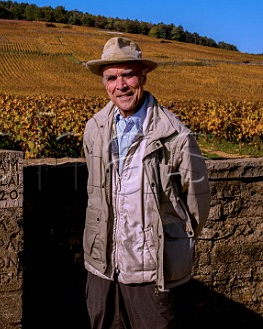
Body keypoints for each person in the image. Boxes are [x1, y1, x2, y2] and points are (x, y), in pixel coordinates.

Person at [82, 36, 211, 329]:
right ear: (104, 82)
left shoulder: (176, 136)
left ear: (143, 75)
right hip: (102, 270)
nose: (120, 85)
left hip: (151, 273)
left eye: (128, 74)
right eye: (111, 77)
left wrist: (177, 246)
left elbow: (197, 201)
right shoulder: (94, 129)